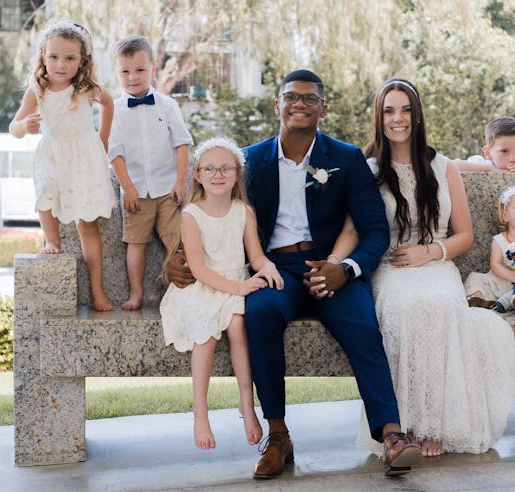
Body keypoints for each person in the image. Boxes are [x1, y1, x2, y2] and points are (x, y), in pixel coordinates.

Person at [167, 69, 421, 478]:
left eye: (308, 98)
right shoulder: (247, 161)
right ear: (277, 105)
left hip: (331, 268)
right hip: (273, 269)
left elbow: (374, 228)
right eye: (291, 96)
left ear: (323, 107)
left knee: (362, 322)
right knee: (262, 314)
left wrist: (345, 269)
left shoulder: (345, 158)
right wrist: (181, 257)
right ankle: (278, 434)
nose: (299, 103)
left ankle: (391, 434)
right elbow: (212, 208)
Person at [328, 78, 515, 456]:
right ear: (380, 117)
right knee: (406, 308)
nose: (397, 118)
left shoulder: (445, 167)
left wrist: (431, 252)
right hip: (391, 265)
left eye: (405, 110)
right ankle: (404, 425)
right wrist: (335, 263)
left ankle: (436, 423)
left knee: (440, 304)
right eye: (389, 111)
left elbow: (464, 235)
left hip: (436, 262)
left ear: (417, 116)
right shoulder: (367, 169)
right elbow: (353, 228)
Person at [160, 137, 281, 450]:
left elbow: (255, 256)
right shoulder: (191, 215)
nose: (218, 174)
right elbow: (198, 270)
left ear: (238, 174)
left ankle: (247, 405)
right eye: (209, 168)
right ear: (198, 175)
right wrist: (239, 288)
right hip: (201, 288)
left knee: (238, 326)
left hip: (231, 284)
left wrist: (266, 267)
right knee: (207, 335)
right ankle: (201, 414)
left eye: (226, 168)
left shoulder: (244, 212)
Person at [9, 21, 115, 311]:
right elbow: (13, 127)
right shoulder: (37, 89)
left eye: (69, 58)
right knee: (44, 195)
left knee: (87, 225)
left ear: (82, 61)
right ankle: (53, 241)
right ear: (43, 56)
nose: (60, 64)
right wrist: (23, 125)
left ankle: (97, 290)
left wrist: (102, 138)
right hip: (53, 155)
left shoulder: (84, 88)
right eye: (54, 57)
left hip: (83, 159)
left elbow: (108, 103)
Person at [108, 35, 194, 310]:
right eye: (125, 71)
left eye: (140, 70)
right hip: (135, 192)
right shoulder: (116, 110)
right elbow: (115, 154)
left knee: (174, 240)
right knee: (136, 243)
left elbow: (181, 144)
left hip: (168, 188)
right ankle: (137, 294)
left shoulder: (168, 105)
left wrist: (180, 182)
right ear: (116, 72)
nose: (133, 77)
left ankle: (182, 291)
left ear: (153, 68)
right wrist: (128, 188)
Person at [464, 183, 515, 320]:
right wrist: (510, 275)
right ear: (505, 215)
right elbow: (495, 265)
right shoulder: (499, 240)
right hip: (496, 282)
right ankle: (478, 299)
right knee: (475, 277)